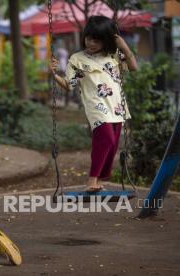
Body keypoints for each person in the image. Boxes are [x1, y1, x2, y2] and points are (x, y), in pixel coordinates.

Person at [49, 15, 138, 192]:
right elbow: (69, 85)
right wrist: (54, 75)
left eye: (96, 40)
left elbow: (133, 67)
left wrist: (124, 46)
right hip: (96, 106)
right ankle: (91, 180)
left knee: (113, 144)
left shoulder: (113, 56)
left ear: (106, 41)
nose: (91, 43)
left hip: (117, 106)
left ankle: (99, 180)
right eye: (89, 38)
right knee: (105, 139)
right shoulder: (77, 59)